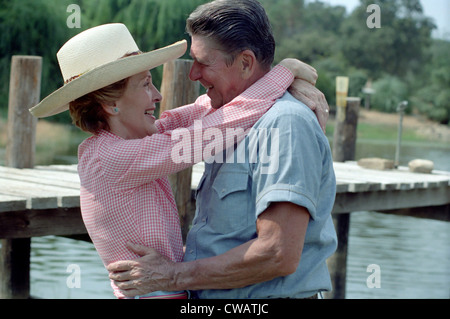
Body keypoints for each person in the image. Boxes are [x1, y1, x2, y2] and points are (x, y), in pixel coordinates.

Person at [29, 22, 325, 299]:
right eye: (145, 84)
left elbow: (202, 109)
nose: (158, 95)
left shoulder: (126, 145)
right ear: (110, 104)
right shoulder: (111, 158)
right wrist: (284, 73)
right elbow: (216, 129)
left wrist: (279, 84)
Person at [108, 0, 337, 299]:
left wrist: (170, 275)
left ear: (244, 63)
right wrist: (288, 72)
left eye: (203, 62)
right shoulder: (227, 118)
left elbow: (277, 252)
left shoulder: (284, 123)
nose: (193, 74)